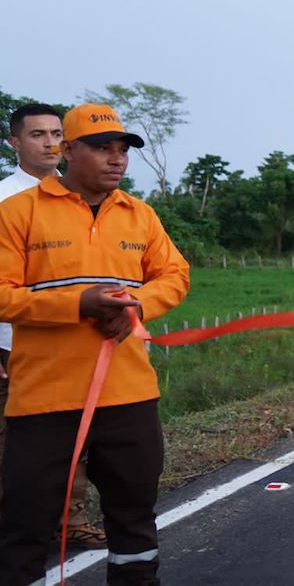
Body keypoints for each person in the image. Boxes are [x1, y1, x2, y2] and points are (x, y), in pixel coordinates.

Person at [0, 103, 190, 585]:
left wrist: (138, 305)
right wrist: (77, 305)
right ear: (68, 151)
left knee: (133, 520)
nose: (117, 160)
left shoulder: (139, 215)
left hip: (128, 396)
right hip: (44, 398)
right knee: (27, 525)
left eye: (123, 151)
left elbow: (175, 275)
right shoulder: (18, 213)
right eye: (102, 149)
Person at [0, 104, 108, 549]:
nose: (49, 143)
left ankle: (70, 519)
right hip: (15, 344)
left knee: (79, 436)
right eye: (37, 135)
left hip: (81, 340)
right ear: (14, 143)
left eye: (56, 134)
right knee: (20, 446)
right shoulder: (7, 199)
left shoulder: (83, 197)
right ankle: (20, 530)